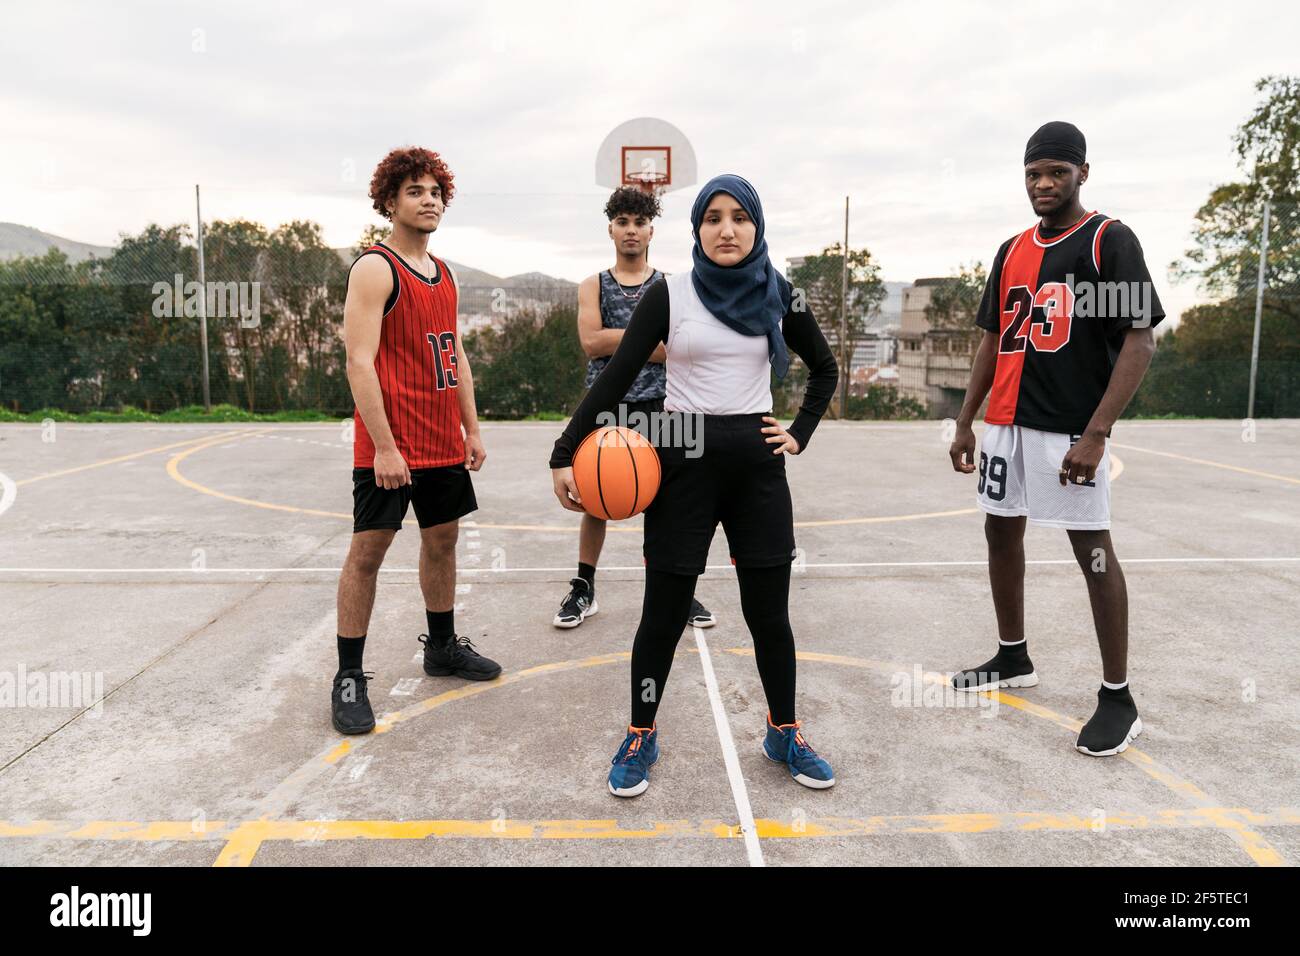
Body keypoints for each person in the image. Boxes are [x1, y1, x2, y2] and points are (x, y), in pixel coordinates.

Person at [550, 174, 839, 796]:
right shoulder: (670, 297)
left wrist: (800, 431)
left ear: (757, 227)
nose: (726, 229)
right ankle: (640, 733)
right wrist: (564, 450)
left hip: (757, 468)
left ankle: (783, 729)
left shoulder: (780, 294)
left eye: (739, 217)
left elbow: (825, 367)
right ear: (697, 230)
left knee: (770, 617)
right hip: (683, 462)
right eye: (712, 217)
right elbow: (613, 379)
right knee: (662, 614)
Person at [947, 122, 1162, 757]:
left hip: (1067, 427)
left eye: (1057, 173)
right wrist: (966, 421)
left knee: (1092, 552)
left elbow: (1139, 338)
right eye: (1033, 174)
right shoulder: (1011, 248)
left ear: (1082, 173)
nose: (1043, 184)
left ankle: (1118, 697)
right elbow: (992, 338)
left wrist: (1098, 432)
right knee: (999, 530)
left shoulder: (1108, 240)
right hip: (1006, 425)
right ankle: (1013, 655)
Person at [332, 146, 501, 736]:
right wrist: (382, 446)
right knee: (369, 553)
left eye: (435, 192)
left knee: (443, 543)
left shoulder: (446, 273)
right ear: (389, 201)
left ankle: (443, 646)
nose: (428, 200)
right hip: (390, 446)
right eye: (415, 191)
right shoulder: (375, 268)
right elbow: (359, 362)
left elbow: (454, 356)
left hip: (441, 443)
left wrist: (471, 428)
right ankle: (349, 676)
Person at [554, 186, 716, 631]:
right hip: (606, 403)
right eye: (622, 222)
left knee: (667, 502)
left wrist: (622, 339)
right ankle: (584, 587)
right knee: (596, 497)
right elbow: (591, 343)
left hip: (662, 404)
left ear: (651, 231)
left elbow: (677, 348)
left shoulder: (669, 286)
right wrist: (648, 341)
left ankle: (676, 591)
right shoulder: (594, 284)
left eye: (639, 222)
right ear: (611, 228)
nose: (631, 230)